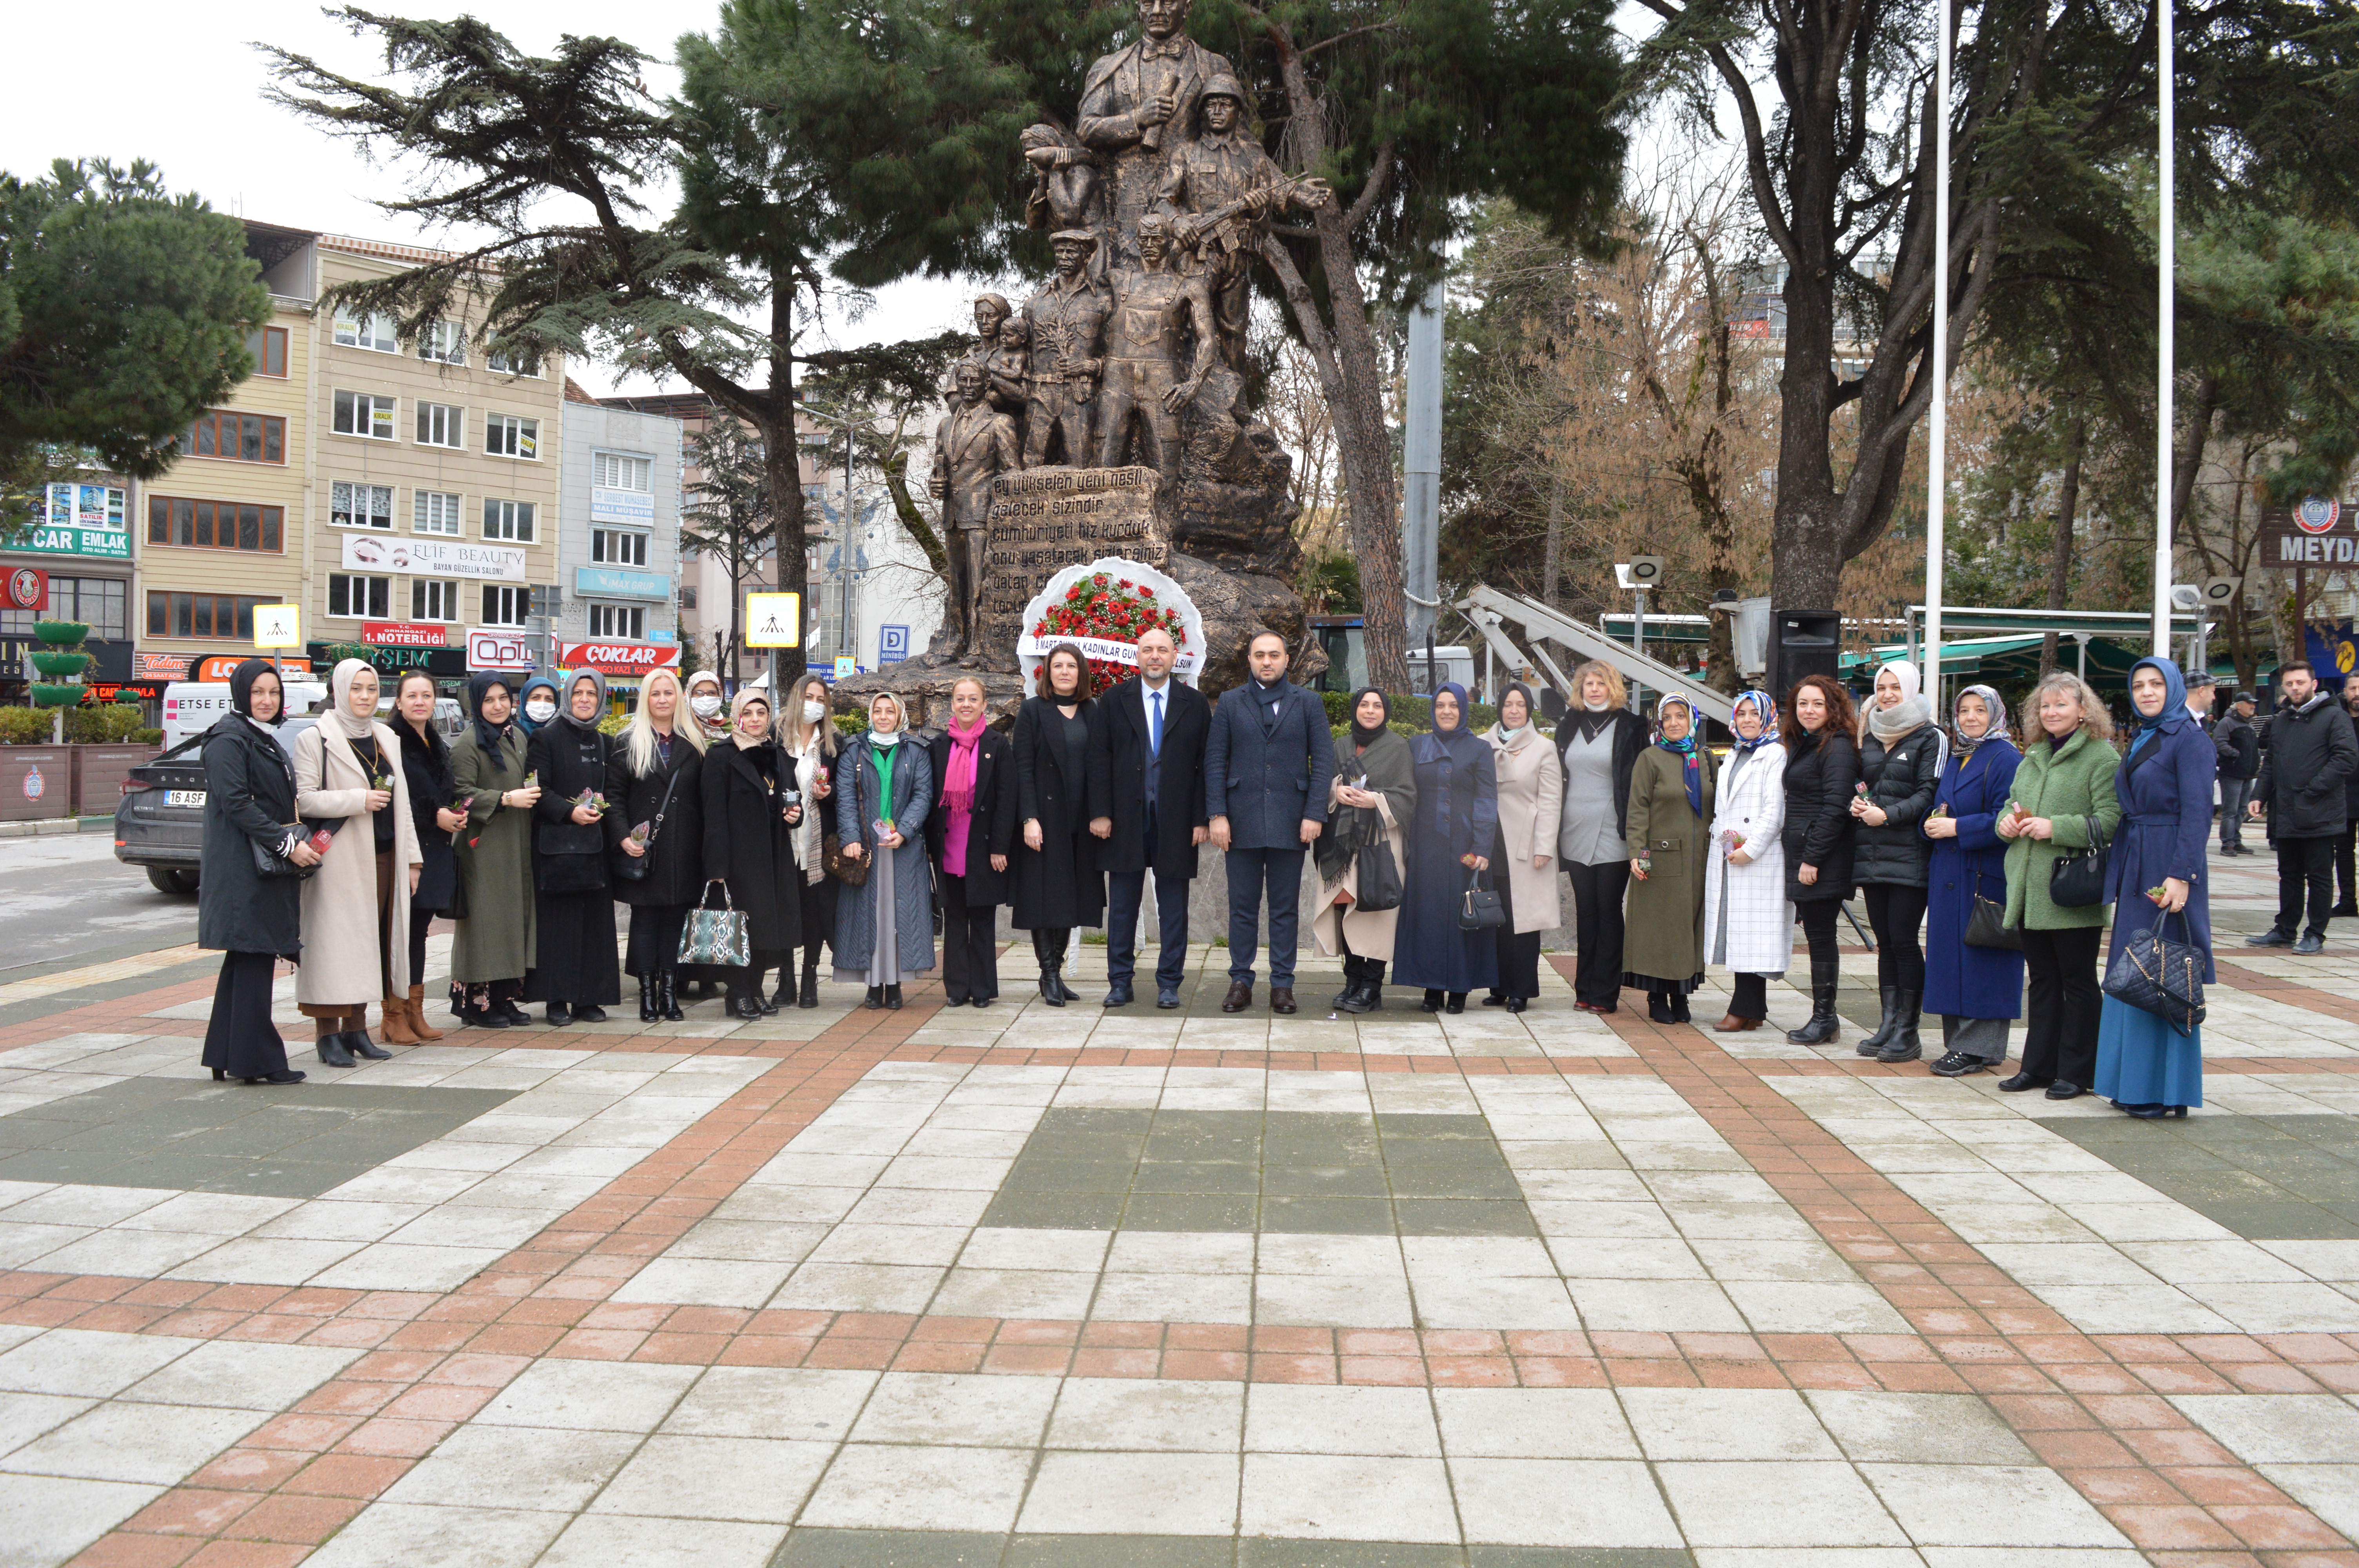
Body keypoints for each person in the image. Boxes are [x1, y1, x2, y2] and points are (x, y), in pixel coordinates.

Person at [2091, 656, 2216, 1118]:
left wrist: (2181, 875)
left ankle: (2161, 1089)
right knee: (2134, 973)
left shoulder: (2188, 738)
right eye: (2139, 685)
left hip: (2167, 864)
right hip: (2139, 859)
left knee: (2164, 973)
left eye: (2156, 685)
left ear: (2175, 689)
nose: (2146, 692)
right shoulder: (2146, 734)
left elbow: (2199, 812)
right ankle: (2132, 1083)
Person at [1995, 673, 2121, 1100]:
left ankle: (2077, 1070)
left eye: (2061, 705)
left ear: (2083, 710)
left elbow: (2110, 822)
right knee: (2043, 981)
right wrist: (2007, 823)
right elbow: (2006, 808)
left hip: (2071, 889)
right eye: (2044, 707)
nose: (2051, 713)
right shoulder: (2031, 755)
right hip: (2030, 890)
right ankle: (2037, 1066)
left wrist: (2055, 827)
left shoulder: (2102, 758)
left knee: (2078, 981)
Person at [292, 659, 422, 1066]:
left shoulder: (386, 737)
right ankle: (327, 1035)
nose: (365, 697)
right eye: (356, 689)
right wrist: (357, 799)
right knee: (333, 948)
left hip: (384, 856)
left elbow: (403, 806)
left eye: (371, 689)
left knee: (375, 944)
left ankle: (357, 1030)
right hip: (338, 862)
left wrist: (413, 860)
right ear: (339, 690)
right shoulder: (315, 738)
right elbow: (303, 799)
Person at [196, 659, 314, 1084]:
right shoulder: (229, 739)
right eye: (258, 692)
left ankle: (226, 1053)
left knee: (246, 960)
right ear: (241, 694)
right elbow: (237, 803)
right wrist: (287, 844)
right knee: (253, 959)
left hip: (254, 869)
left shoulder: (257, 736)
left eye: (275, 692)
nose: (267, 700)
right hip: (241, 872)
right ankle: (257, 1062)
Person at [1205, 630, 1336, 1014]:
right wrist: (1217, 815)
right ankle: (1241, 981)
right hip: (1239, 821)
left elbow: (1323, 761)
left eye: (1274, 655)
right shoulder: (1230, 703)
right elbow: (1215, 761)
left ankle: (1282, 984)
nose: (1266, 661)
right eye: (1259, 655)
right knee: (1242, 908)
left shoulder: (1308, 703)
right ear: (1248, 659)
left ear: (1286, 660)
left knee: (1284, 909)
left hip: (1291, 821)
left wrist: (1314, 813)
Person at [1087, 627, 1210, 1009]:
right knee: (1123, 907)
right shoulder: (1113, 700)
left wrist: (1201, 819)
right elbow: (1099, 759)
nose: (1154, 656)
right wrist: (1101, 813)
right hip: (1124, 821)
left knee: (1173, 908)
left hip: (1176, 823)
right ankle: (1120, 982)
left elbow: (1205, 766)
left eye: (1162, 650)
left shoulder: (1194, 703)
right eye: (1147, 650)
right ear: (1136, 657)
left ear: (1175, 656)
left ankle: (1169, 982)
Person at [1920, 685, 2023, 1076]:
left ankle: (1977, 1047)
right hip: (1950, 872)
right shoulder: (1960, 756)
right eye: (1964, 710)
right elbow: (1940, 803)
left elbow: (2007, 818)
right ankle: (1960, 1044)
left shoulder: (2006, 758)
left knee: (1984, 961)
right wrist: (1930, 823)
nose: (1970, 717)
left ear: (1995, 714)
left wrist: (1956, 827)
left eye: (1979, 710)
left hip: (1983, 874)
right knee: (1952, 962)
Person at [1849, 659, 1944, 1061]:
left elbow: (1929, 793)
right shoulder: (1870, 734)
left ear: (1911, 688)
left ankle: (1909, 1030)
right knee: (1885, 943)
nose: (1887, 694)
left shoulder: (1930, 736)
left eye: (1895, 687)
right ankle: (1888, 1024)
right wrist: (1860, 803)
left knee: (1904, 941)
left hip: (1909, 854)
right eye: (1881, 686)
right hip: (1871, 853)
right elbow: (1868, 785)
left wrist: (1887, 815)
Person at [1394, 684, 1500, 1013]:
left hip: (1464, 848)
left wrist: (1482, 847)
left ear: (1463, 709)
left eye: (1453, 705)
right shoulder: (1417, 745)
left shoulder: (1480, 749)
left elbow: (1486, 800)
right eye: (1440, 706)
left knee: (1459, 916)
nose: (1447, 712)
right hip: (1425, 846)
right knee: (1427, 915)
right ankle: (1430, 987)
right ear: (1433, 710)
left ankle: (1458, 989)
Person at [608, 666, 706, 1022]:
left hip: (684, 849)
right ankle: (647, 995)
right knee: (646, 922)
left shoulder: (693, 741)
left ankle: (670, 992)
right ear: (646, 699)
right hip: (645, 850)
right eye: (656, 693)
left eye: (669, 693)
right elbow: (615, 797)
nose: (663, 699)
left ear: (678, 698)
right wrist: (623, 837)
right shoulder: (627, 741)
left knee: (677, 921)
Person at [524, 669, 621, 1022]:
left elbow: (613, 793)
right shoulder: (545, 739)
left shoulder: (604, 743)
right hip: (557, 847)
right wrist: (570, 812)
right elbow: (538, 791)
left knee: (594, 924)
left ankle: (589, 999)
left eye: (591, 694)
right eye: (578, 692)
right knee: (558, 925)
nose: (584, 699)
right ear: (568, 697)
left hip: (595, 850)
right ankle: (556, 999)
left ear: (601, 700)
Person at [1312, 688, 1416, 1013]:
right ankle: (1352, 980)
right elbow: (1321, 783)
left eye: (1378, 706)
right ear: (1356, 709)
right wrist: (1335, 791)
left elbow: (1409, 796)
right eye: (1365, 705)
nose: (1370, 711)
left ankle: (1372, 986)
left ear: (1386, 711)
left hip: (1380, 844)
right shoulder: (1341, 745)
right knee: (1346, 910)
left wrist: (1376, 800)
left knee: (1376, 913)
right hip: (1341, 847)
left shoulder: (1399, 747)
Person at [703, 689, 806, 1018]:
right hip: (739, 860)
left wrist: (796, 815)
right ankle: (738, 993)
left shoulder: (777, 754)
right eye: (748, 714)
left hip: (774, 857)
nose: (755, 720)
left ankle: (757, 989)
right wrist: (717, 866)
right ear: (737, 718)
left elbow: (792, 799)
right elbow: (713, 815)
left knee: (766, 929)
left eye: (761, 713)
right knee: (739, 929)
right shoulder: (721, 756)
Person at [1553, 661, 1650, 1013]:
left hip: (1614, 829)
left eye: (1601, 683)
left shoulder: (1633, 726)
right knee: (1586, 910)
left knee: (1609, 910)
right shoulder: (1568, 725)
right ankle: (1583, 989)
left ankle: (1606, 993)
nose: (1594, 689)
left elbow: (1641, 783)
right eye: (1588, 684)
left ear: (1613, 687)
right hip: (1573, 829)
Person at [2246, 659, 2359, 954]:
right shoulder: (2282, 719)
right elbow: (2270, 761)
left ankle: (2315, 934)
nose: (2295, 688)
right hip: (2286, 812)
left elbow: (2346, 758)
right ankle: (2285, 930)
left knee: (2320, 877)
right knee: (2289, 875)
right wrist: (2259, 794)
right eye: (2289, 684)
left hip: (2321, 812)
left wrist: (2312, 791)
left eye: (2300, 683)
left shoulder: (2335, 717)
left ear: (2314, 684)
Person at [1014, 646, 1105, 1004]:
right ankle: (1048, 974)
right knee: (1044, 898)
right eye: (1058, 666)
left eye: (1071, 666)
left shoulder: (1092, 711)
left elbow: (1100, 765)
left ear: (1080, 673)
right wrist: (1029, 818)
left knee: (1072, 898)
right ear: (1047, 673)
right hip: (1045, 822)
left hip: (1081, 823)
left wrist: (1102, 812)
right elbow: (1022, 767)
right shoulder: (1032, 711)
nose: (1065, 672)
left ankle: (1058, 967)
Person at [834, 691, 936, 1008]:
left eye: (889, 712)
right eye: (877, 711)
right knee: (870, 917)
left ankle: (894, 985)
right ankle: (872, 984)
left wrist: (904, 832)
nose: (882, 716)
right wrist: (851, 837)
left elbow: (924, 795)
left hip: (902, 848)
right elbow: (846, 797)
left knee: (899, 917)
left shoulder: (916, 750)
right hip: (866, 846)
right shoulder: (853, 749)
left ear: (899, 716)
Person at [448, 673, 538, 1027]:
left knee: (512, 921)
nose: (499, 706)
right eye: (489, 700)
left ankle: (504, 997)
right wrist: (503, 799)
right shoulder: (469, 743)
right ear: (475, 704)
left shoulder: (516, 736)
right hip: (483, 845)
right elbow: (460, 794)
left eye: (504, 698)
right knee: (485, 925)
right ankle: (476, 1003)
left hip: (515, 842)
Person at [1622, 693, 1718, 1024]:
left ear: (1692, 720)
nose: (1675, 723)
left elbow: (1718, 807)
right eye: (1668, 718)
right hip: (1659, 859)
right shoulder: (1650, 758)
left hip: (1698, 860)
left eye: (1681, 716)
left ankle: (1682, 995)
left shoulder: (1706, 759)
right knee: (1660, 929)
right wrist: (1636, 852)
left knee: (1688, 930)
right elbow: (1637, 809)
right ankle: (1657, 996)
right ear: (1659, 723)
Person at [1779, 674, 1860, 1044]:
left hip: (1822, 857)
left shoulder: (1838, 746)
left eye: (1817, 704)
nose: (1809, 711)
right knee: (1816, 936)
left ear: (1832, 708)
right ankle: (1823, 1017)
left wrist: (1811, 859)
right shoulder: (1805, 744)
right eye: (1802, 704)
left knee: (1822, 937)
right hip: (1805, 852)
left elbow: (1835, 808)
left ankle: (1825, 1018)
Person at [1702, 690, 1788, 1032]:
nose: (1748, 720)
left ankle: (1744, 1007)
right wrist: (1726, 844)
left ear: (1769, 718)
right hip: (1729, 853)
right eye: (1742, 714)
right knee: (1739, 931)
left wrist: (1750, 849)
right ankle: (1753, 1009)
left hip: (1759, 857)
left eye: (1755, 713)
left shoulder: (1775, 754)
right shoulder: (1735, 753)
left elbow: (1775, 811)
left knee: (1753, 934)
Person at [928, 676, 1017, 1007]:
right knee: (954, 919)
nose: (966, 704)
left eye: (973, 699)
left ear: (984, 705)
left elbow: (1007, 800)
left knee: (981, 919)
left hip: (983, 849)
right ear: (951, 704)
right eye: (960, 699)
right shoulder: (938, 747)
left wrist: (999, 847)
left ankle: (981, 990)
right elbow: (929, 800)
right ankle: (956, 989)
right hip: (949, 846)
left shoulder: (998, 745)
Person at [1482, 683, 1562, 1013]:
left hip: (1527, 843)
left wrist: (1545, 846)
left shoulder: (1543, 748)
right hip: (1490, 840)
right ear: (1499, 708)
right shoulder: (1481, 743)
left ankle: (1522, 989)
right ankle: (1498, 986)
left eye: (1520, 705)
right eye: (1508, 704)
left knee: (1523, 921)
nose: (1514, 710)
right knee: (1494, 916)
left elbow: (1551, 800)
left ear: (1529, 710)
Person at [389, 670, 460, 1045]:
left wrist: (452, 813)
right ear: (399, 702)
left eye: (427, 695)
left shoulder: (435, 742)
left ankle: (414, 1012)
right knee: (402, 934)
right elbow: (396, 801)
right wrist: (435, 814)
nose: (420, 702)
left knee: (419, 932)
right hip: (408, 848)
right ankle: (394, 1013)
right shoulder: (393, 741)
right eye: (412, 696)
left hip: (436, 848)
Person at [777, 674, 842, 1008]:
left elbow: (845, 794)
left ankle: (809, 978)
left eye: (821, 699)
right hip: (783, 839)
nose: (814, 704)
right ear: (796, 698)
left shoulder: (833, 743)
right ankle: (785, 978)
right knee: (787, 909)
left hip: (817, 842)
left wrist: (827, 796)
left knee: (815, 911)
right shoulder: (776, 738)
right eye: (809, 697)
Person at [2215, 688, 2261, 855]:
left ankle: (2235, 841)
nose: (2253, 706)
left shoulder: (2248, 724)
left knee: (2242, 809)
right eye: (2249, 703)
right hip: (2232, 774)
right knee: (2230, 810)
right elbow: (2219, 743)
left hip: (2247, 775)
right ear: (2239, 705)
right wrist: (2236, 755)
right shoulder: (2227, 722)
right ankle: (2227, 843)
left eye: (2254, 704)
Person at [2339, 672, 2359, 915]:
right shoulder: (2336, 717)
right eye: (2353, 688)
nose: (2357, 694)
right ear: (2346, 691)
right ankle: (2347, 902)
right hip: (2342, 795)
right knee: (2343, 852)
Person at [516, 672, 561, 736]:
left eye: (549, 699)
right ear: (524, 701)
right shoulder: (511, 734)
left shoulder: (563, 734)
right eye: (536, 698)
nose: (542, 703)